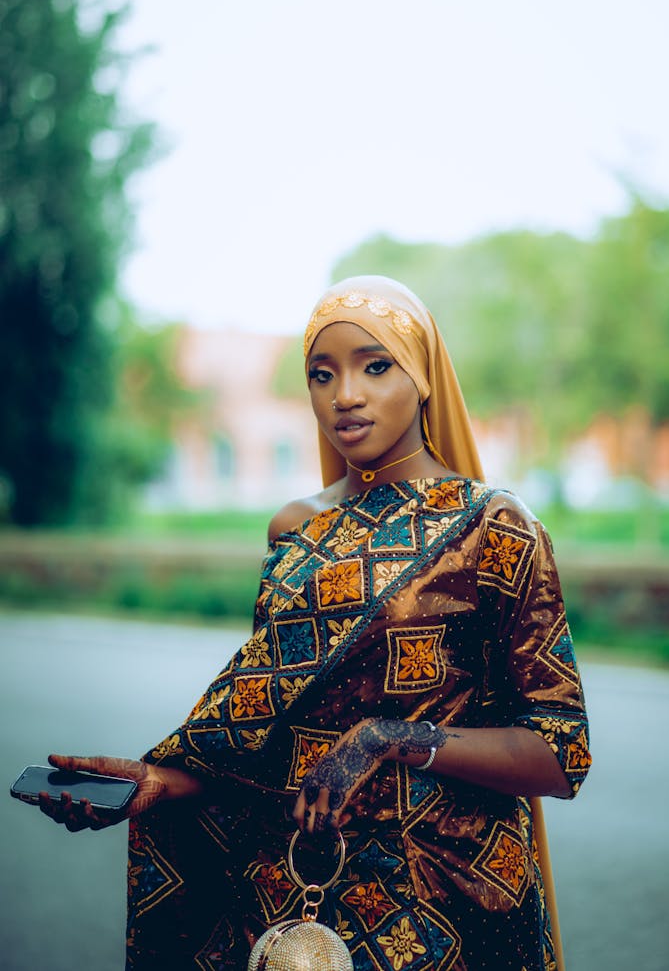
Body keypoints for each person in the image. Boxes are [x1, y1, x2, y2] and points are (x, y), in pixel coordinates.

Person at [40, 275, 591, 970]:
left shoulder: (494, 526)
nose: (346, 395)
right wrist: (157, 784)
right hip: (292, 915)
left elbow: (561, 750)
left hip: (444, 915)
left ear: (422, 376)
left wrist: (391, 737)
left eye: (375, 365)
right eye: (321, 374)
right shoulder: (297, 528)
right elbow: (260, 738)